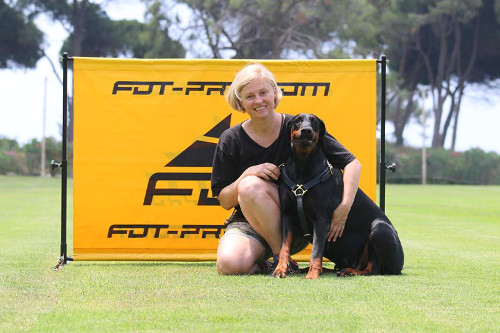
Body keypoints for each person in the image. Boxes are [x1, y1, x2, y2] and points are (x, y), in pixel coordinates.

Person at [211, 63, 361, 275]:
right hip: (248, 225)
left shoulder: (299, 126)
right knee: (229, 265)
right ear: (240, 102)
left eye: (263, 92)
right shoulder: (230, 139)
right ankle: (270, 261)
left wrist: (344, 207)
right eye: (250, 96)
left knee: (250, 187)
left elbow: (352, 163)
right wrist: (247, 173)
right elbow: (225, 201)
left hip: (294, 226)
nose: (259, 101)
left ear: (274, 93)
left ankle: (282, 258)